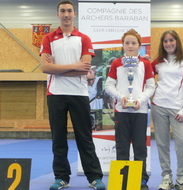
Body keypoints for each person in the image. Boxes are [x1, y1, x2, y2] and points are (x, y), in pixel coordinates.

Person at [40, 0, 105, 189]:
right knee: (58, 138)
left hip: (78, 94)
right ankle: (61, 178)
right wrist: (73, 66)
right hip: (55, 93)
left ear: (74, 14)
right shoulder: (48, 38)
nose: (66, 14)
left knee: (84, 137)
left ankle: (94, 177)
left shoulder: (84, 38)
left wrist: (57, 69)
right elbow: (45, 67)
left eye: (69, 10)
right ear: (57, 14)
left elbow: (84, 69)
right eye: (62, 11)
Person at [104, 29, 155, 190]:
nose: (130, 46)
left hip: (139, 112)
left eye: (134, 43)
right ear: (123, 45)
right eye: (127, 43)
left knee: (140, 146)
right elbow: (108, 85)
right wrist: (121, 98)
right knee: (122, 146)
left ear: (139, 45)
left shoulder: (145, 63)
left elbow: (151, 87)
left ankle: (142, 179)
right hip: (121, 111)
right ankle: (123, 178)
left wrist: (140, 100)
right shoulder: (116, 63)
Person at [150, 30, 183, 190]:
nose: (168, 44)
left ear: (177, 41)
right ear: (162, 44)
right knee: (162, 143)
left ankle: (182, 177)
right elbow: (145, 77)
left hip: (178, 109)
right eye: (165, 41)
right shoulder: (157, 61)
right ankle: (166, 176)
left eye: (171, 40)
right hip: (158, 106)